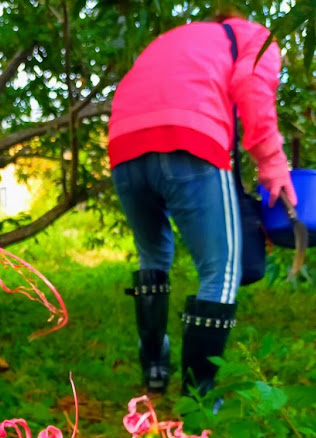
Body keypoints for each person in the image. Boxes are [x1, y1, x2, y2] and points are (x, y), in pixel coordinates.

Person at [109, 11, 297, 396]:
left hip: (124, 146)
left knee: (153, 257)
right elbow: (252, 83)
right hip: (189, 141)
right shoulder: (255, 35)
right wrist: (272, 161)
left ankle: (155, 368)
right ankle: (197, 400)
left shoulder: (177, 38)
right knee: (220, 272)